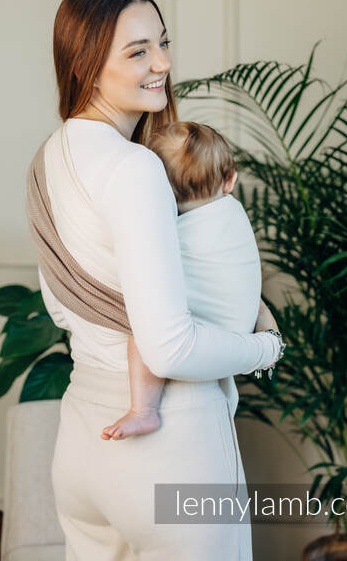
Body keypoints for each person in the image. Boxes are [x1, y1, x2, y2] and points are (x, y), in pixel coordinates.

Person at [27, 0, 283, 560]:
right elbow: (169, 348)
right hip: (171, 444)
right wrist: (266, 349)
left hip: (85, 440)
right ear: (87, 65)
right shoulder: (136, 168)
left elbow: (68, 307)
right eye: (138, 50)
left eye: (162, 43)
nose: (163, 63)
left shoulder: (47, 158)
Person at [100, 120, 265, 441]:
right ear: (229, 180)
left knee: (143, 333)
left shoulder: (170, 229)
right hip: (241, 324)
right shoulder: (234, 213)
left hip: (205, 332)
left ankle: (142, 411)